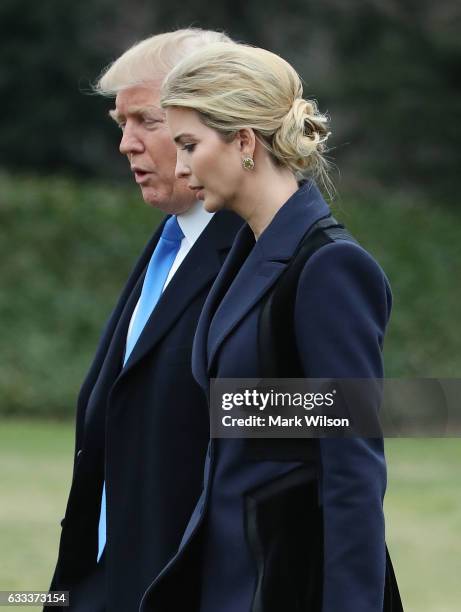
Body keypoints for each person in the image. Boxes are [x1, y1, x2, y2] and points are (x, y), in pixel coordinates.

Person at [155, 42, 404, 612]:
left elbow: (352, 468)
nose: (181, 168)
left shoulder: (330, 267)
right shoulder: (243, 256)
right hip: (227, 579)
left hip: (289, 588)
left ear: (244, 142)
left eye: (190, 145)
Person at [45, 30, 242, 612]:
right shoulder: (171, 239)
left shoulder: (277, 255)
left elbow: (330, 433)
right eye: (120, 123)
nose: (127, 145)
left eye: (146, 122)